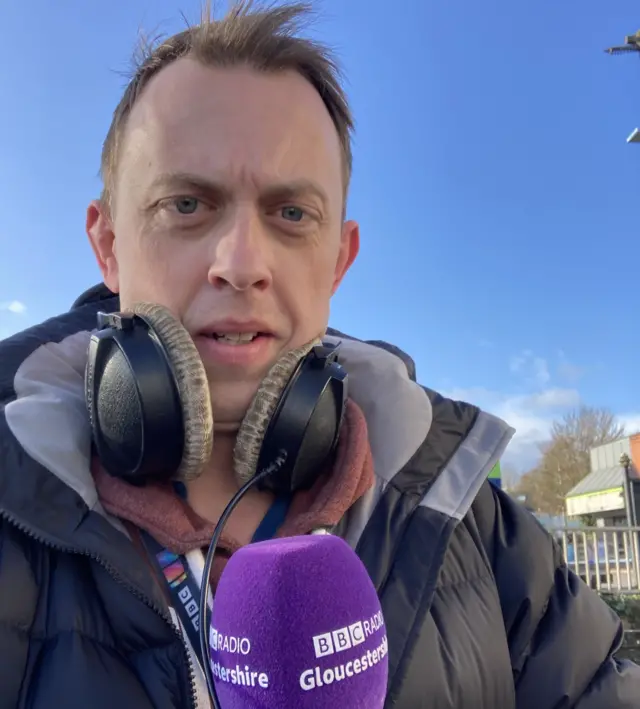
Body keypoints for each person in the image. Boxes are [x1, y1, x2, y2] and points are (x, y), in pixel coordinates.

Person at [0, 3, 638, 708]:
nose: (241, 263)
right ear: (108, 243)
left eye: (291, 214)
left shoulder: (474, 522)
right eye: (187, 205)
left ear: (339, 260)